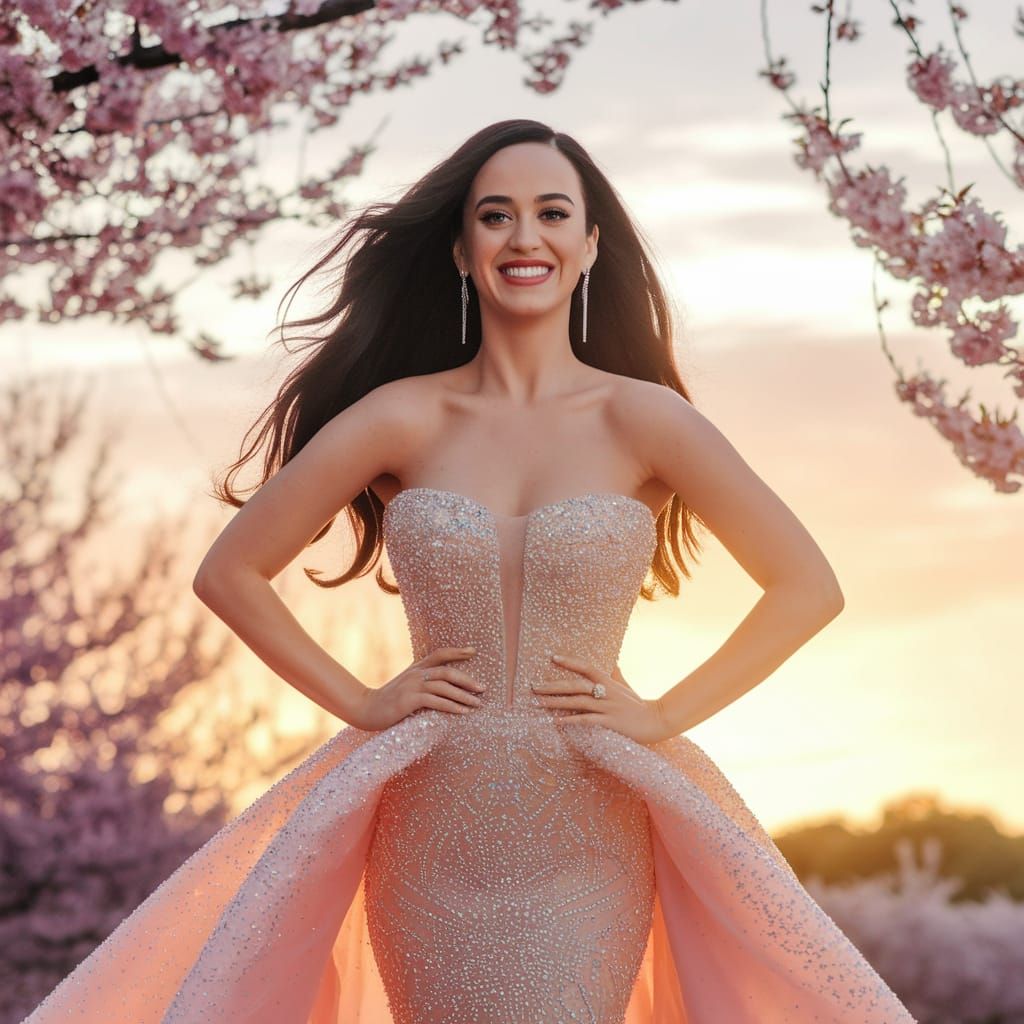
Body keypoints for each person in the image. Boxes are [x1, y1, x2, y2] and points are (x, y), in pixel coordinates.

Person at [20, 119, 918, 1024]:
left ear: (589, 244)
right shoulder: (400, 416)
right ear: (460, 248)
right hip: (429, 822)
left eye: (551, 213)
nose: (524, 237)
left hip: (591, 815)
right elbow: (232, 571)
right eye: (496, 216)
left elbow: (808, 587)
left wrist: (659, 717)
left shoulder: (645, 420)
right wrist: (363, 702)